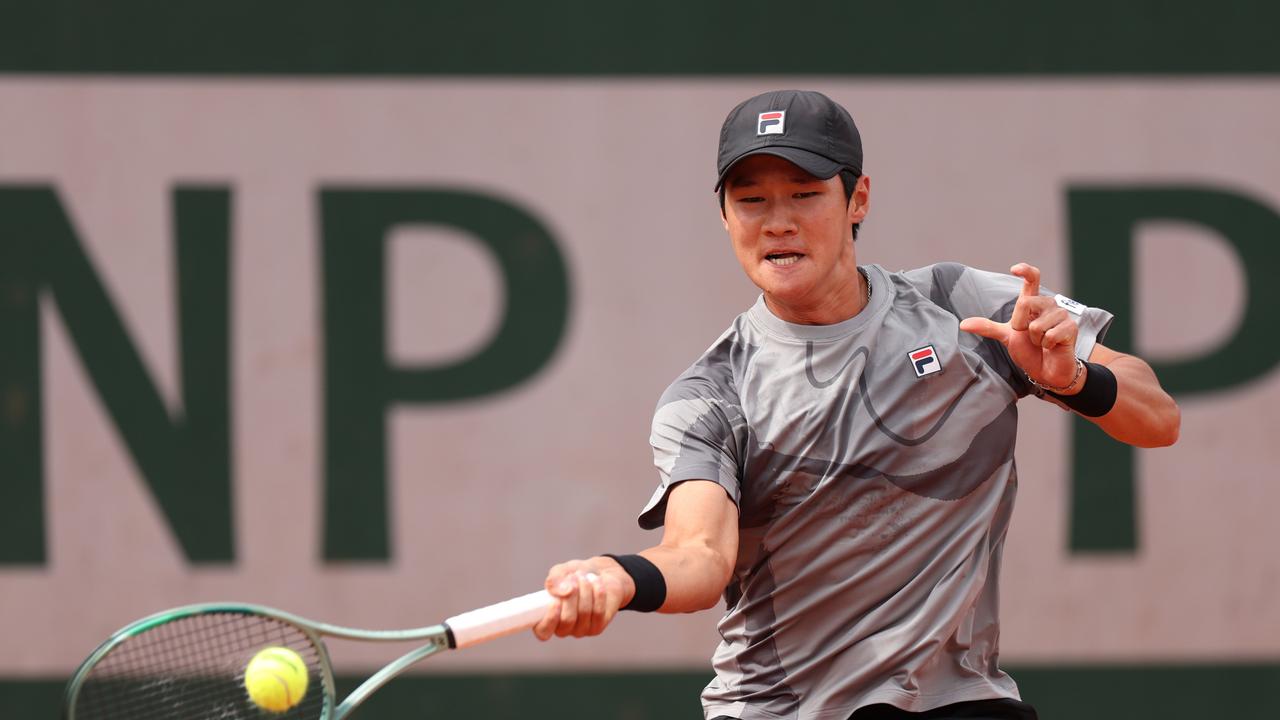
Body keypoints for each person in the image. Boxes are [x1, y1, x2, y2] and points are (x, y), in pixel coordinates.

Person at [532, 89, 1180, 720]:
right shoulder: (710, 396)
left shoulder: (962, 306)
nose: (777, 221)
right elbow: (699, 558)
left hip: (958, 700)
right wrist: (619, 578)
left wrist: (1074, 380)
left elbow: (1158, 419)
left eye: (805, 195)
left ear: (857, 199)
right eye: (750, 200)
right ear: (725, 217)